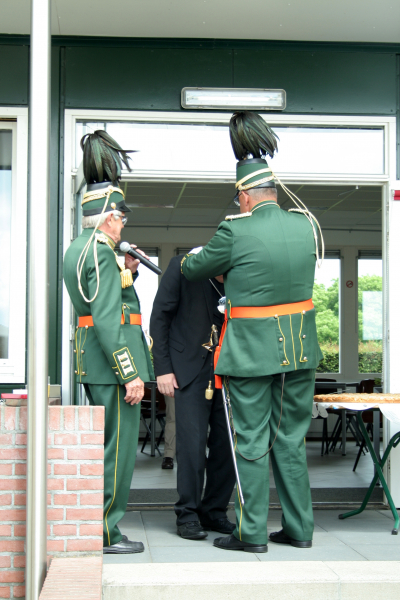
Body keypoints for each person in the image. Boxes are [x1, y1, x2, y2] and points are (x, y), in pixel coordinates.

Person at [181, 111, 324, 553]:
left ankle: (252, 532)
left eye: (239, 198)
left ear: (244, 195)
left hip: (250, 355)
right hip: (300, 351)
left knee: (251, 442)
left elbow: (193, 268)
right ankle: (299, 529)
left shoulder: (234, 230)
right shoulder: (305, 224)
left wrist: (202, 258)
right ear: (273, 191)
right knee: (291, 440)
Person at [63, 130, 154, 555]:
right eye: (121, 218)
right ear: (109, 217)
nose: (123, 225)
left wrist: (128, 272)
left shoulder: (81, 249)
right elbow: (106, 320)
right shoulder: (99, 251)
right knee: (117, 453)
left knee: (107, 449)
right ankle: (105, 532)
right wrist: (130, 373)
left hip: (97, 365)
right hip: (113, 368)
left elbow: (99, 303)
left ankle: (100, 526)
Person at [150, 255, 236, 540]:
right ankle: (187, 514)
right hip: (187, 370)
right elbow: (160, 317)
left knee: (227, 446)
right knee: (191, 447)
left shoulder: (244, 268)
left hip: (231, 370)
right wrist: (163, 369)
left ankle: (215, 511)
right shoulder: (183, 266)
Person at [161, 396, 176, 469]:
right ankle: (168, 455)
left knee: (197, 419)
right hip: (173, 389)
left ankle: (200, 454)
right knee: (172, 418)